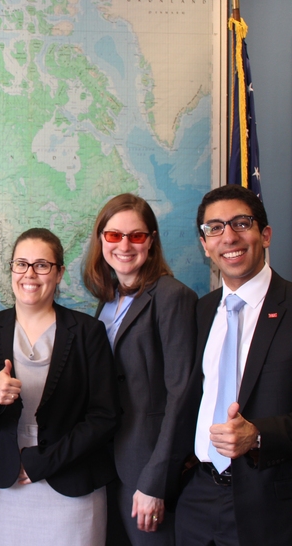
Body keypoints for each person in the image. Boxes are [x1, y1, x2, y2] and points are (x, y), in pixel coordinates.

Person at [175, 184, 292, 546]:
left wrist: (256, 435)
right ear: (205, 244)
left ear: (265, 235)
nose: (229, 237)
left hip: (275, 507)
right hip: (199, 500)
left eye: (241, 223)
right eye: (215, 228)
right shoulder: (201, 311)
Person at [0, 228, 119, 546]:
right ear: (11, 269)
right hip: (11, 484)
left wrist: (44, 461)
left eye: (42, 265)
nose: (30, 274)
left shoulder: (88, 332)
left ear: (60, 272)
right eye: (21, 264)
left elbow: (104, 416)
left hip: (73, 481)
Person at [82, 194, 196, 545]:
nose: (125, 245)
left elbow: (182, 395)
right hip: (109, 466)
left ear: (152, 240)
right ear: (101, 239)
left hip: (148, 470)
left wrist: (155, 482)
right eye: (114, 235)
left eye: (137, 235)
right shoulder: (109, 300)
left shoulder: (172, 296)